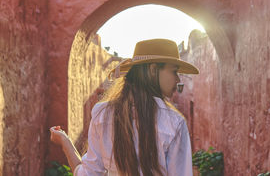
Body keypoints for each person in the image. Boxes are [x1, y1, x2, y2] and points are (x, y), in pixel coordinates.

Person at [50, 38, 199, 176]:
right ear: (153, 70)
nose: (178, 78)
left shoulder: (102, 113)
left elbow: (89, 173)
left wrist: (65, 142)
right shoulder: (174, 122)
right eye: (174, 71)